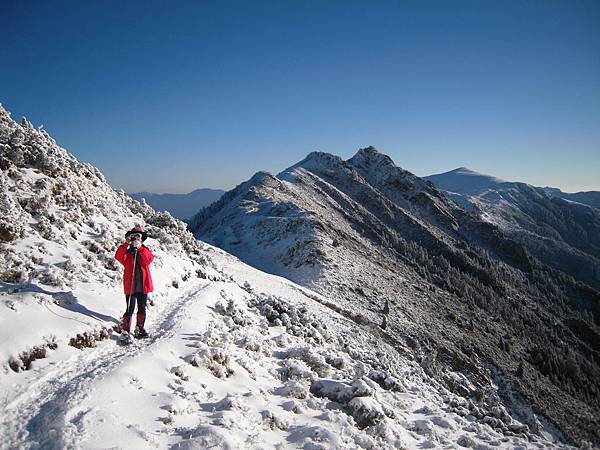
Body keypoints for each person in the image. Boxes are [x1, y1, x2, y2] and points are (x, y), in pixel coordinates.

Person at [115, 225, 154, 338]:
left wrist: (140, 248)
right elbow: (118, 256)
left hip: (142, 286)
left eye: (138, 236)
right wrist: (126, 244)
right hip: (131, 286)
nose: (136, 239)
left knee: (141, 308)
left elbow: (149, 259)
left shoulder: (144, 250)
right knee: (129, 308)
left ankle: (139, 328)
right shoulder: (127, 253)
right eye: (134, 236)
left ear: (142, 238)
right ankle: (126, 330)